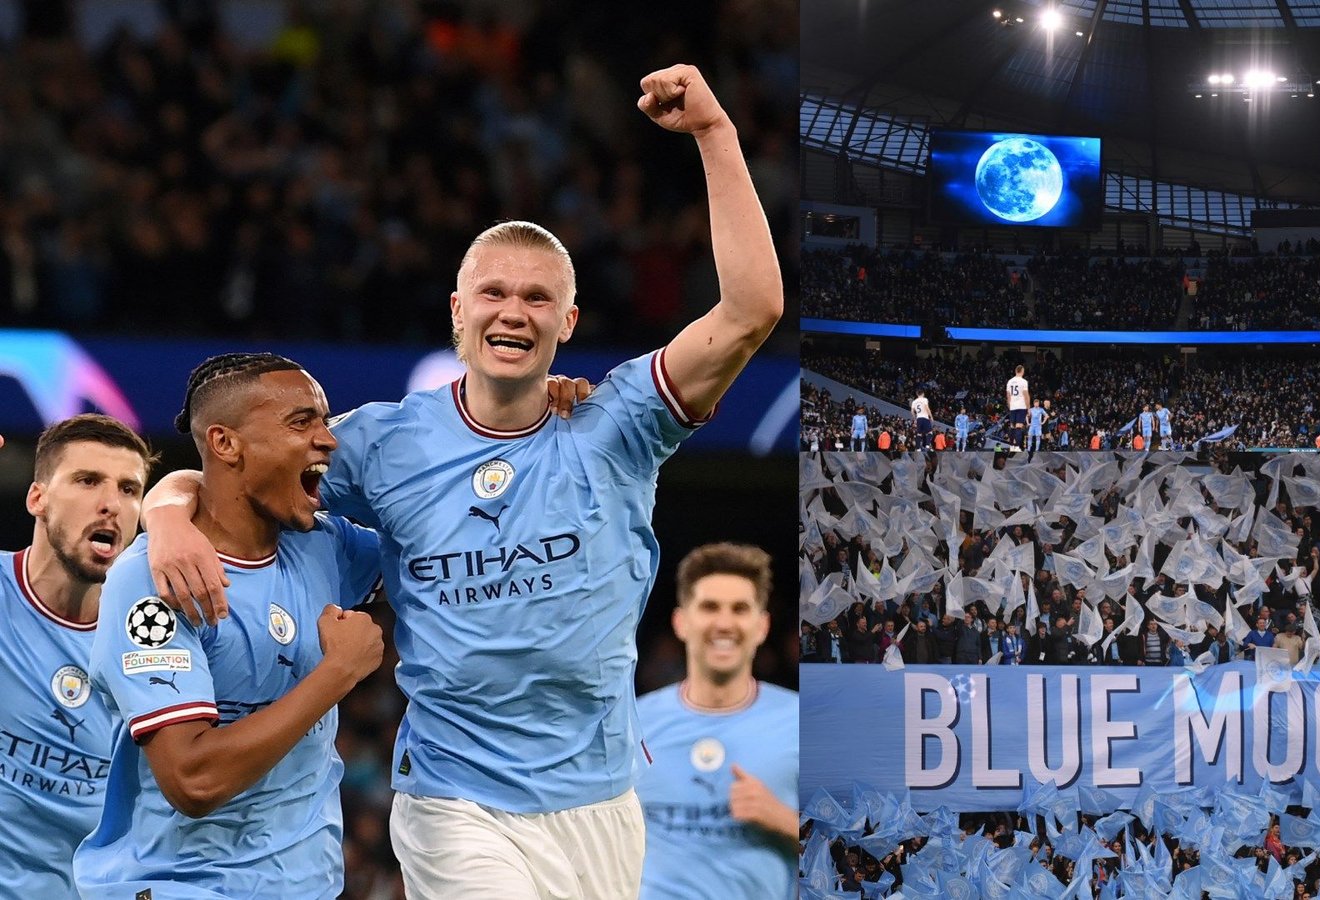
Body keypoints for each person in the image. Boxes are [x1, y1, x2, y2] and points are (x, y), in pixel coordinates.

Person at [142, 64, 783, 897]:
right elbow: (236, 472)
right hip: (454, 796)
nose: (512, 311)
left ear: (569, 321)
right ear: (456, 311)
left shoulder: (619, 422)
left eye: (537, 297)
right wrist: (165, 511)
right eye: (493, 293)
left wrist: (715, 135)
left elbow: (752, 309)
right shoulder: (381, 442)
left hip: (600, 799)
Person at [75, 354, 385, 899]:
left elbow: (444, 542)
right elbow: (194, 780)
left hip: (310, 888)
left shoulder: (323, 545)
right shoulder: (153, 582)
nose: (328, 439)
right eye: (301, 422)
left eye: (324, 420)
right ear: (225, 443)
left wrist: (543, 412)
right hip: (185, 886)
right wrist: (336, 674)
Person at [0, 415, 154, 897]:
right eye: (87, 481)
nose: (111, 504)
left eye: (130, 489)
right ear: (37, 498)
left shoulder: (157, 639)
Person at [637, 543, 797, 900]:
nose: (724, 623)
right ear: (681, 621)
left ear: (762, 625)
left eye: (739, 609)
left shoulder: (803, 723)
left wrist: (785, 820)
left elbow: (860, 848)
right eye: (710, 607)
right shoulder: (632, 725)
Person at [1005, 365, 1030, 448]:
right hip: (1021, 406)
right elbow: (1026, 396)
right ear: (1022, 371)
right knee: (1018, 427)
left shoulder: (1009, 381)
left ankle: (1011, 445)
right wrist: (1028, 408)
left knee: (1012, 426)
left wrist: (1010, 406)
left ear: (1016, 371)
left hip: (1013, 406)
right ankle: (1017, 447)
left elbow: (1008, 396)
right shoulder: (1023, 381)